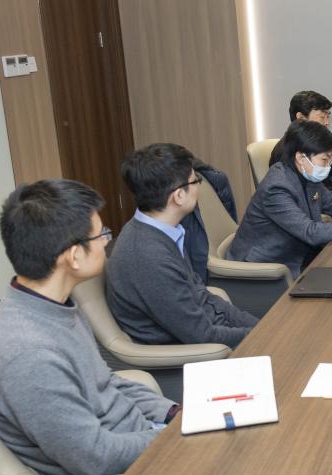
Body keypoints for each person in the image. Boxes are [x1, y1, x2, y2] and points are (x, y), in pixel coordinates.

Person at [0, 180, 174, 475]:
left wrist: (173, 414)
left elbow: (104, 382)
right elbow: (96, 457)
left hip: (141, 438)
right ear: (74, 256)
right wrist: (175, 437)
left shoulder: (52, 305)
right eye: (101, 235)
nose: (106, 242)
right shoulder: (31, 357)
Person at [106, 143, 259, 348]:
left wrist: (260, 326)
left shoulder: (166, 230)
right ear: (178, 196)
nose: (199, 187)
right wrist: (261, 336)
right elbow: (202, 335)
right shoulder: (148, 256)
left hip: (205, 336)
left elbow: (201, 295)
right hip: (185, 355)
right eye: (196, 181)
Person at [227, 120, 332, 278]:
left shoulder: (305, 175)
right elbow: (311, 232)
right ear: (301, 158)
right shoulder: (277, 187)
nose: (328, 166)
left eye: (330, 159)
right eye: (324, 160)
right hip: (267, 269)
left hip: (301, 255)